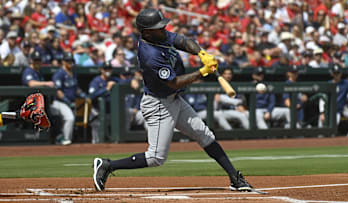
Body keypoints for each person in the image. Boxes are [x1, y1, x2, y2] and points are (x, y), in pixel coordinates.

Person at [93, 8, 253, 192]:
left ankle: (235, 178)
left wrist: (201, 54)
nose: (164, 29)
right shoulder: (149, 54)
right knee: (156, 157)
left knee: (205, 135)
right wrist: (202, 72)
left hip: (174, 100)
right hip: (159, 104)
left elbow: (183, 41)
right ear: (147, 32)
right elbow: (173, 83)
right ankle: (107, 165)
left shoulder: (158, 36)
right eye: (159, 27)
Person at [51, 52, 87, 145]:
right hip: (60, 102)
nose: (70, 63)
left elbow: (75, 88)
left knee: (69, 120)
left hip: (71, 101)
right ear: (63, 62)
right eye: (68, 61)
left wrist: (83, 95)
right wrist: (67, 101)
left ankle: (65, 139)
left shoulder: (73, 73)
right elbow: (57, 91)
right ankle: (65, 139)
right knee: (69, 118)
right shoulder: (59, 74)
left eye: (71, 61)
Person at [319, 65, 348, 136]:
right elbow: (322, 99)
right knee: (321, 133)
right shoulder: (329, 84)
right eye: (335, 73)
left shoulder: (346, 83)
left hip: (340, 110)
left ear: (341, 73)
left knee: (332, 132)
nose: (337, 75)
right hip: (328, 112)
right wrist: (322, 113)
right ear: (332, 74)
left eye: (338, 73)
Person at [88, 61, 118, 144]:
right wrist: (106, 89)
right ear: (102, 70)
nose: (108, 71)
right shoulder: (96, 81)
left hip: (110, 112)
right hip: (97, 111)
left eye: (109, 69)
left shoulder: (114, 80)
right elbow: (91, 96)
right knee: (97, 138)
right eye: (106, 69)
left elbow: (125, 82)